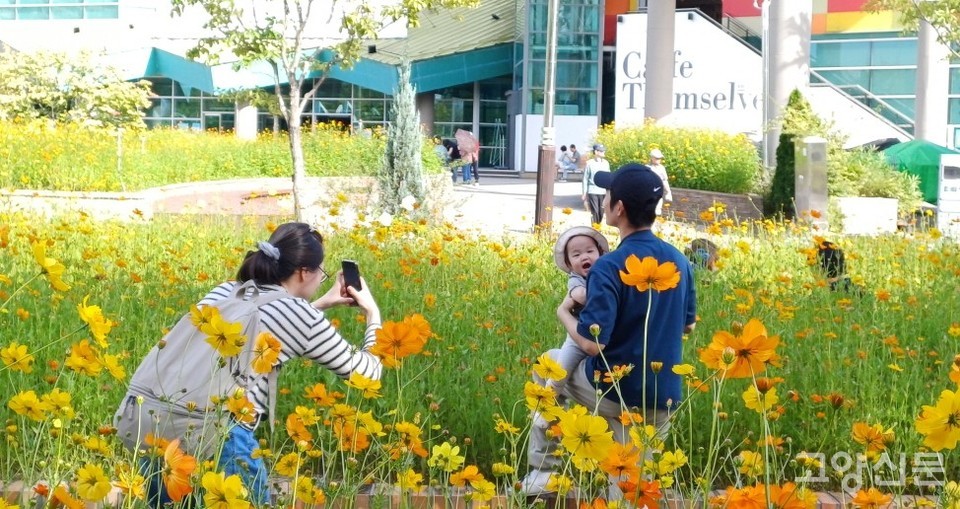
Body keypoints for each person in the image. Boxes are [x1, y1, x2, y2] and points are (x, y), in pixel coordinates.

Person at [115, 222, 384, 505]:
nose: (320, 281)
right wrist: (372, 313)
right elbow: (367, 373)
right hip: (217, 437)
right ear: (304, 272)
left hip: (153, 425)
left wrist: (322, 303)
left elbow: (261, 328)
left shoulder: (227, 291)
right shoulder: (300, 315)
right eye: (321, 272)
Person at [522, 163, 697, 497]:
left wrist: (563, 313)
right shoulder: (679, 260)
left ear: (619, 208)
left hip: (613, 391)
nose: (604, 200)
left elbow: (590, 344)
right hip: (663, 397)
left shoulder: (609, 265)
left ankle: (543, 472)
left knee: (547, 364)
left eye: (608, 195)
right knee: (630, 491)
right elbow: (688, 324)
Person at [530, 226, 610, 427]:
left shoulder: (606, 275)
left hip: (601, 339)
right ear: (569, 263)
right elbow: (580, 296)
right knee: (559, 372)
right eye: (577, 254)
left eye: (590, 251)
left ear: (600, 254)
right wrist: (601, 290)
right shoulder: (576, 280)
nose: (585, 256)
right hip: (576, 337)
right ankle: (544, 407)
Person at [581, 144, 610, 225]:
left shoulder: (606, 163)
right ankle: (594, 228)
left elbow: (608, 177)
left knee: (601, 211)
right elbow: (585, 178)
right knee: (595, 211)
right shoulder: (589, 163)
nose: (604, 152)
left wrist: (609, 191)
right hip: (592, 190)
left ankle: (598, 225)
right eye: (601, 151)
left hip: (603, 191)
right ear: (596, 152)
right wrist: (584, 193)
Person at [647, 148, 673, 216]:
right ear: (652, 158)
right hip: (648, 190)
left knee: (657, 209)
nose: (658, 160)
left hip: (658, 189)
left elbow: (664, 181)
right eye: (656, 158)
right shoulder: (647, 167)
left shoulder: (661, 168)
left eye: (659, 158)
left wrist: (668, 192)